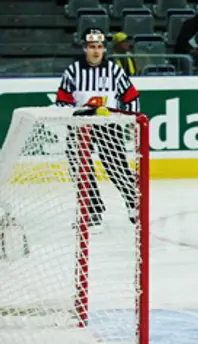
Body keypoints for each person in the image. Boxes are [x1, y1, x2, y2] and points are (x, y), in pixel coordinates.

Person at [55, 28, 141, 227]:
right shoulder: (73, 71)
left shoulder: (114, 71)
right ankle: (92, 211)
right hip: (80, 126)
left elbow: (131, 97)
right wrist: (75, 115)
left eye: (100, 47)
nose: (96, 51)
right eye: (92, 47)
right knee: (80, 168)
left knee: (115, 166)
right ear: (85, 48)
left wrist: (128, 121)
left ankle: (133, 204)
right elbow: (62, 101)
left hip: (108, 125)